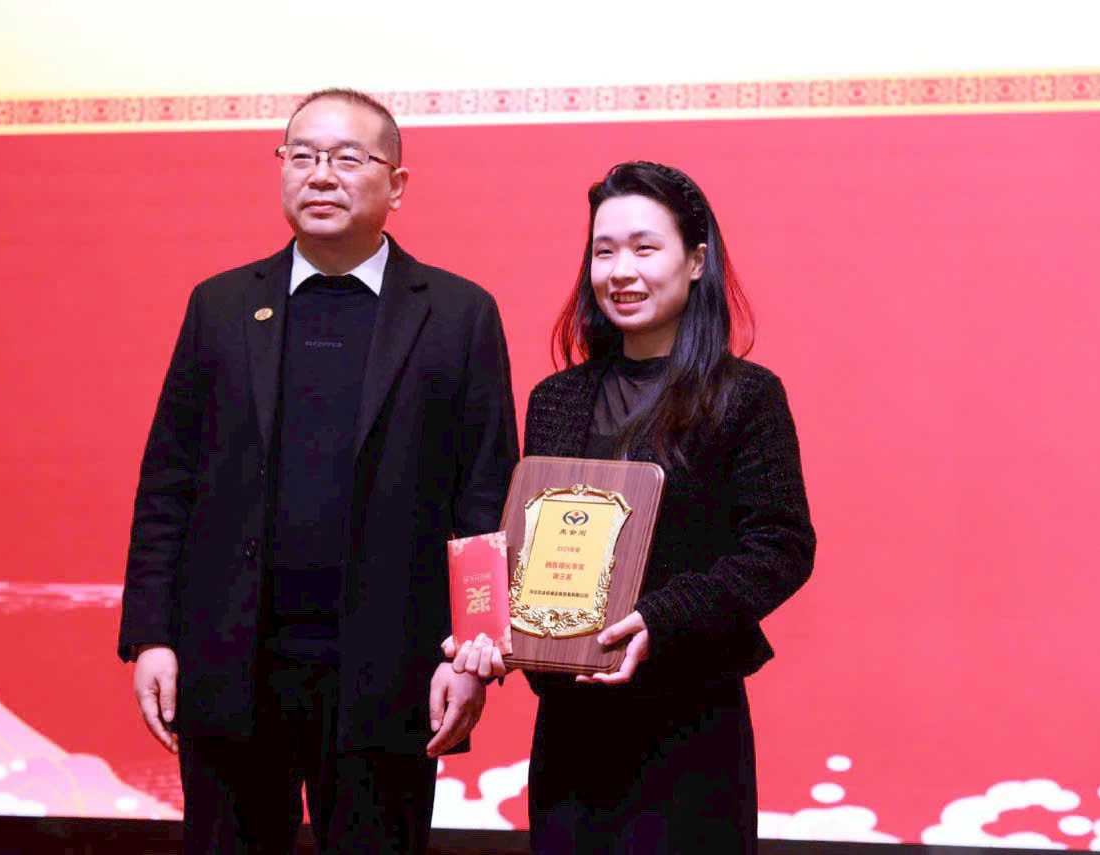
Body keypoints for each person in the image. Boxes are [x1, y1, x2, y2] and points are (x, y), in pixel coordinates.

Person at [117, 88, 518, 855]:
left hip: (390, 669)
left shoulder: (458, 314)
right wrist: (151, 636)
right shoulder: (221, 305)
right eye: (301, 155)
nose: (321, 174)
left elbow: (484, 497)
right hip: (233, 665)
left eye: (347, 158)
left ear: (397, 184)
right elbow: (169, 482)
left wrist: (475, 651)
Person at [451, 161, 815, 853]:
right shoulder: (555, 399)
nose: (621, 271)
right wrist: (490, 629)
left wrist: (659, 618)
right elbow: (529, 547)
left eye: (645, 248)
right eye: (604, 251)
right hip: (573, 731)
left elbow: (781, 546)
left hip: (691, 726)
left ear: (696, 261)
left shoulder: (745, 395)